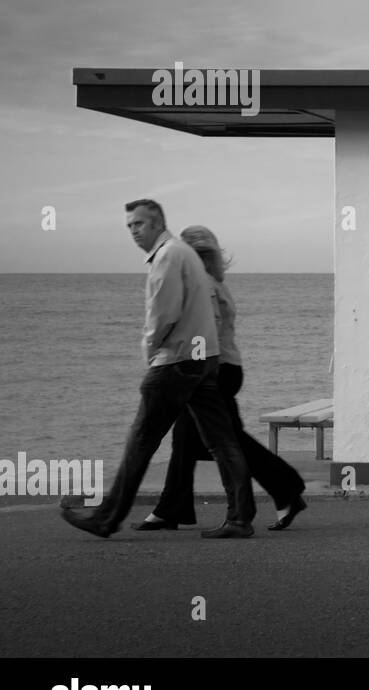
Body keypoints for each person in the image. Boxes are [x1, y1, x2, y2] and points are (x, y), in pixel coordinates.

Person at [61, 200, 256, 538]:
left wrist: (150, 353)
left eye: (138, 224)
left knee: (141, 441)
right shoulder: (187, 255)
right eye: (129, 226)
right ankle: (240, 518)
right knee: (222, 442)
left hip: (176, 363)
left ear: (156, 223)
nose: (133, 231)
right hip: (203, 361)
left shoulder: (167, 257)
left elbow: (163, 316)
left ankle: (106, 518)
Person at [132, 227, 308, 532]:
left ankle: (282, 491)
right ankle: (171, 509)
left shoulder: (202, 285)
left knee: (224, 441)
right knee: (187, 441)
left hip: (212, 370)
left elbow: (205, 331)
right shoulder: (215, 282)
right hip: (223, 367)